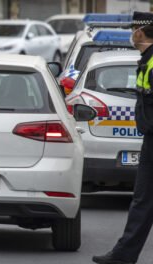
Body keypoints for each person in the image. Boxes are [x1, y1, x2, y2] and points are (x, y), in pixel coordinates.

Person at [93, 11, 153, 264]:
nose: (131, 33)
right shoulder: (146, 61)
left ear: (139, 32)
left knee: (143, 201)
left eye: (132, 29)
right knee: (143, 202)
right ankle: (123, 256)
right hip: (150, 140)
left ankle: (123, 255)